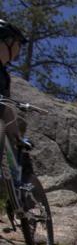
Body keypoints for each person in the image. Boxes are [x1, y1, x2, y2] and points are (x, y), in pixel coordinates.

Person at [0, 19, 32, 172]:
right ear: (7, 41)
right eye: (18, 44)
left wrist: (18, 138)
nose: (19, 50)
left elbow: (5, 108)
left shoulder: (4, 76)